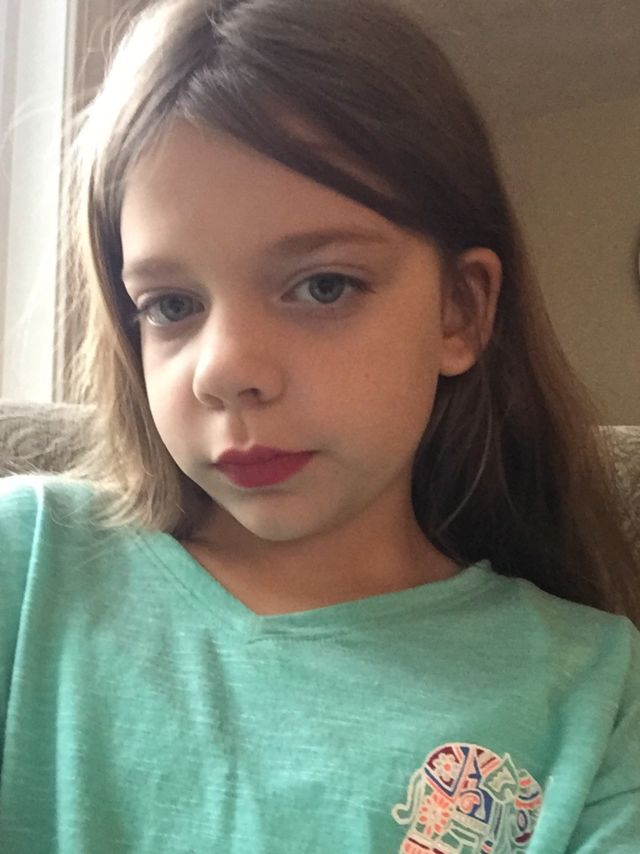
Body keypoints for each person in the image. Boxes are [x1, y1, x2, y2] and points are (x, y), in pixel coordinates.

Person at [1, 0, 638, 850]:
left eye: (323, 286)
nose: (225, 371)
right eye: (172, 305)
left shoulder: (595, 694)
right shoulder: (26, 565)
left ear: (460, 310)